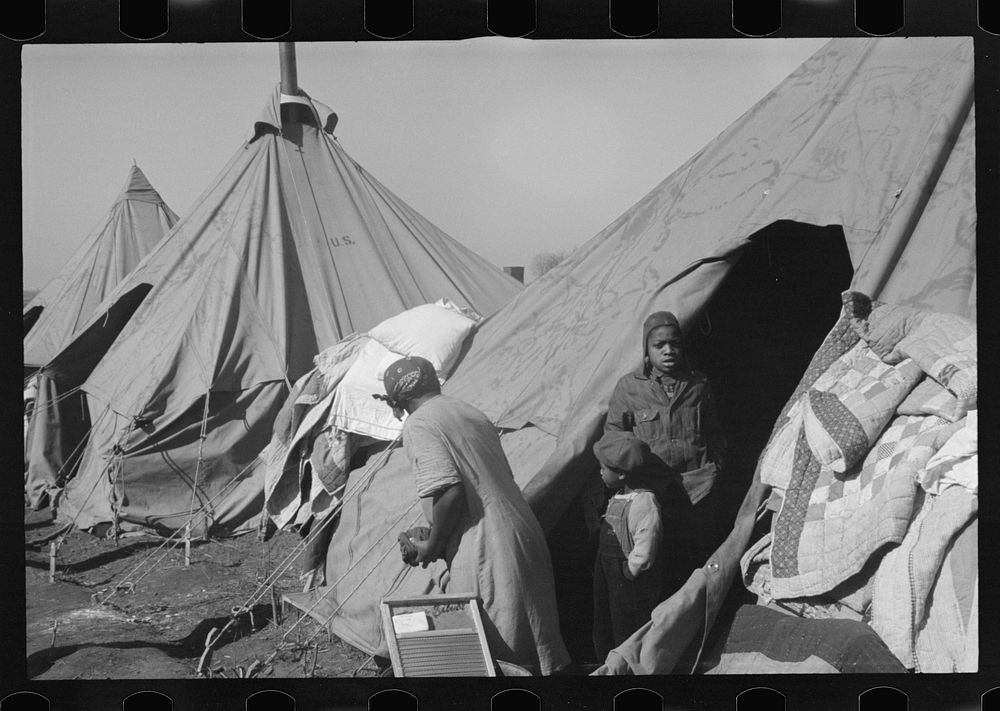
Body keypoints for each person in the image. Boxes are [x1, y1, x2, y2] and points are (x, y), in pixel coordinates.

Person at [374, 356, 571, 675]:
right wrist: (435, 531)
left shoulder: (420, 423)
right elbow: (475, 484)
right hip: (519, 531)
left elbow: (450, 491)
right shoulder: (469, 412)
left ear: (397, 401)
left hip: (489, 546)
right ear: (434, 383)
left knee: (490, 653)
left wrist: (434, 545)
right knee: (531, 645)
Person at [603, 310, 726, 591]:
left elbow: (714, 431)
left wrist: (715, 467)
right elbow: (613, 437)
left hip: (696, 492)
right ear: (646, 349)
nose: (668, 350)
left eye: (675, 343)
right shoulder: (629, 388)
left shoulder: (698, 384)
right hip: (651, 495)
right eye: (659, 345)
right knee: (653, 570)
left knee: (694, 567)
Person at [591, 432, 663, 661]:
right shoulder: (616, 497)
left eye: (604, 468)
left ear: (621, 473)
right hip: (606, 570)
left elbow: (646, 541)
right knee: (606, 617)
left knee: (628, 624)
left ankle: (629, 665)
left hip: (627, 577)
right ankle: (608, 661)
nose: (600, 472)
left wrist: (631, 570)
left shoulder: (643, 502)